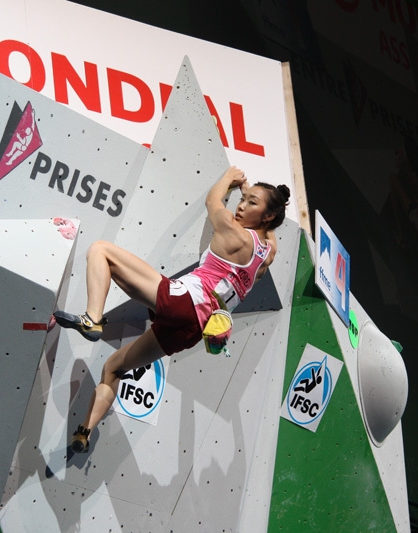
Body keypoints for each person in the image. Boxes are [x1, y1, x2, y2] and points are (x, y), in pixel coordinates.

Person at [53, 166, 290, 453]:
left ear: (267, 215)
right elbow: (270, 234)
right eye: (243, 199)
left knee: (100, 249)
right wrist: (253, 197)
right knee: (114, 367)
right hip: (193, 332)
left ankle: (92, 319)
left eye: (251, 202)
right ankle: (84, 432)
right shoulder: (267, 253)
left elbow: (212, 201)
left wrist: (230, 178)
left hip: (184, 302)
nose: (240, 205)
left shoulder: (234, 232)